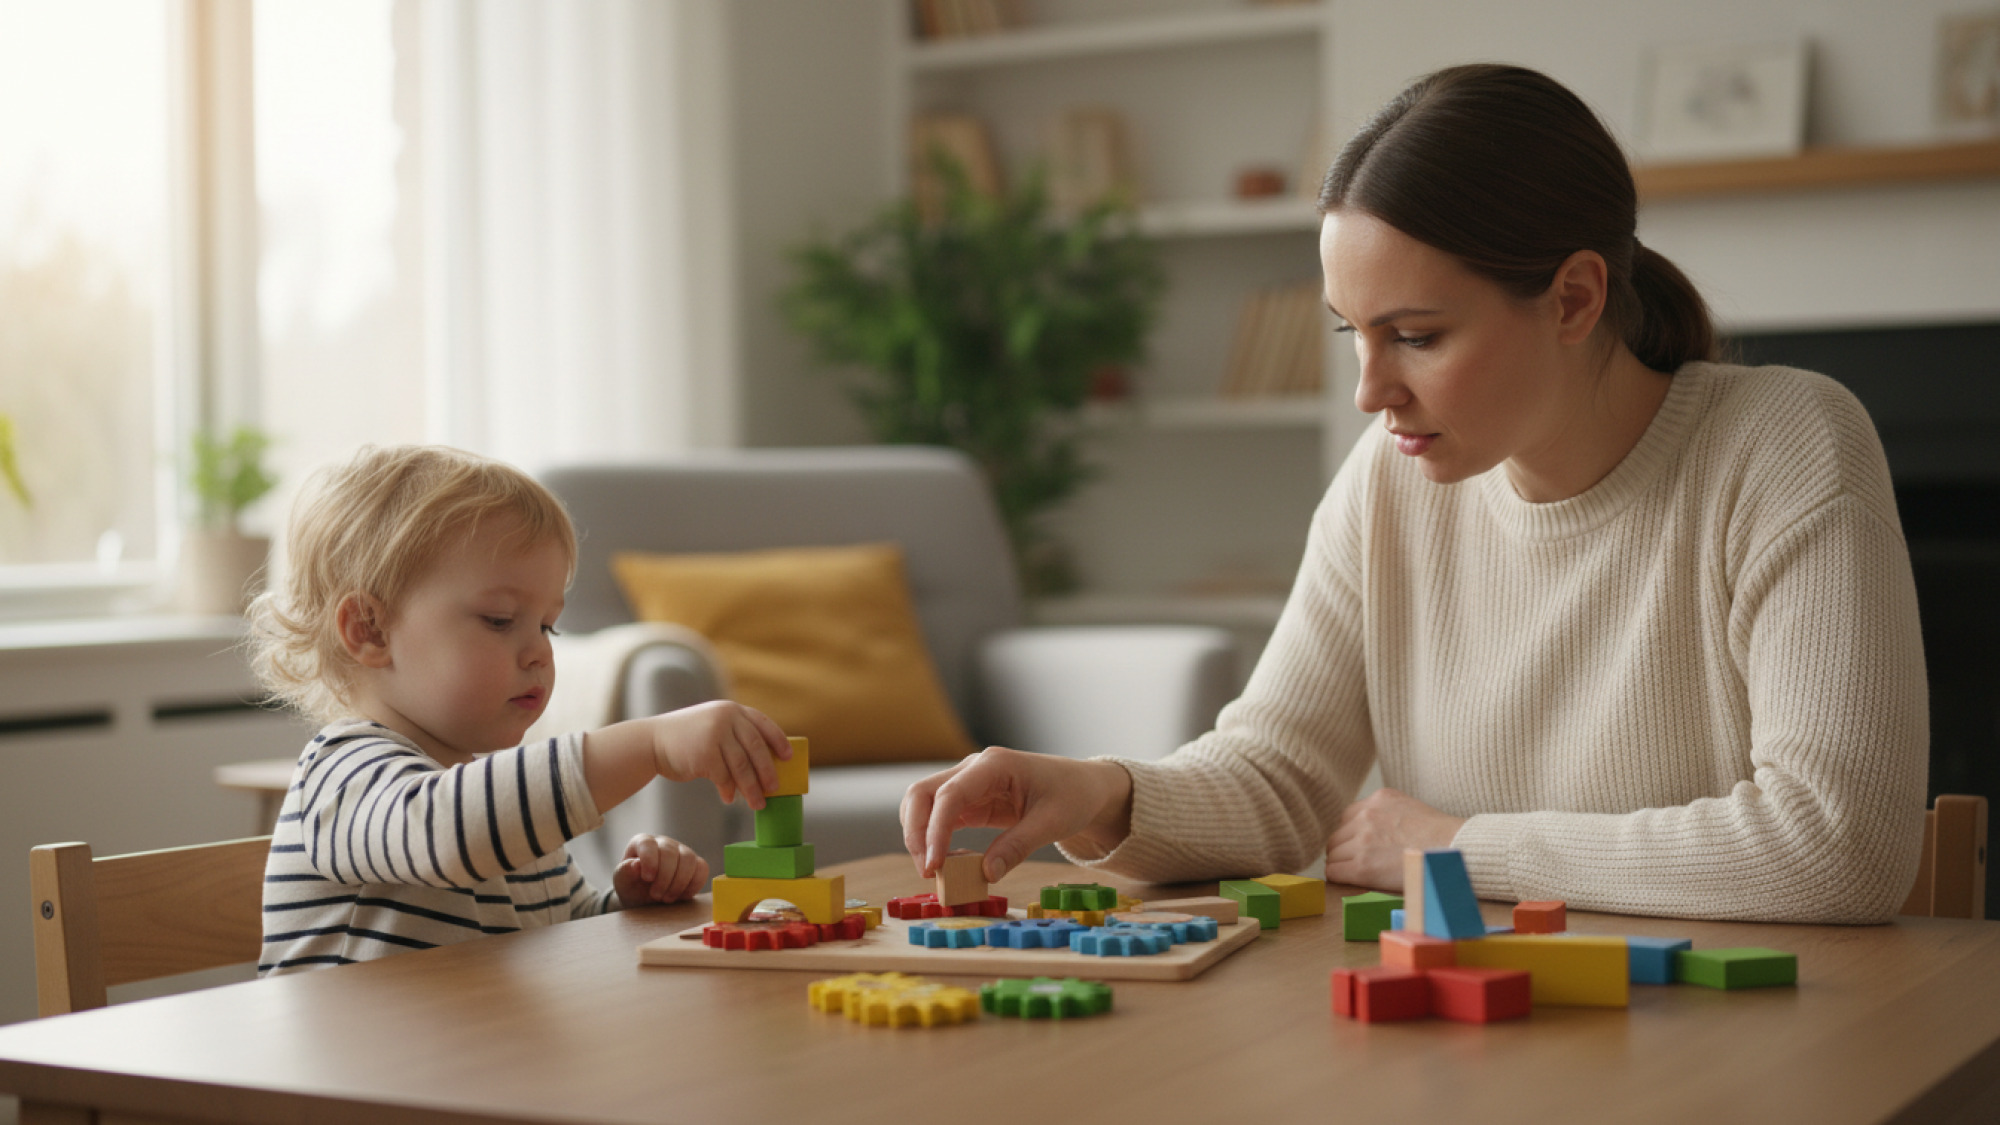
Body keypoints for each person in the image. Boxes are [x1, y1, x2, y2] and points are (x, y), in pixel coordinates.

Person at [901, 63, 1929, 925]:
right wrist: (1102, 792)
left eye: (1417, 336)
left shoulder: (1782, 442)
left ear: (1573, 298)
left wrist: (1454, 848)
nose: (1368, 391)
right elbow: (1278, 779)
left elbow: (1835, 846)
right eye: (1352, 331)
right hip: (1474, 1027)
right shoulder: (1390, 485)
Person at [248, 444, 792, 975]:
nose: (540, 651)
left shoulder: (506, 810)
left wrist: (627, 902)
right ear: (370, 630)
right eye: (500, 620)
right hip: (338, 1066)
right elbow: (444, 836)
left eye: (547, 625)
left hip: (474, 1060)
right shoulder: (343, 771)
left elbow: (558, 925)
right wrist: (647, 743)